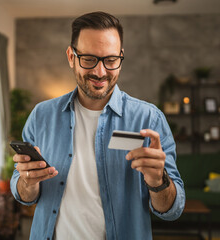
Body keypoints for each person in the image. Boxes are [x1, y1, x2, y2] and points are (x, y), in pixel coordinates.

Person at [10, 11, 185, 240]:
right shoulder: (42, 116)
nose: (100, 72)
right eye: (89, 59)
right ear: (71, 57)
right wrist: (27, 182)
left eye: (110, 60)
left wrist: (158, 182)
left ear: (121, 57)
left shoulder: (149, 119)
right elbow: (24, 194)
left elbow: (172, 210)